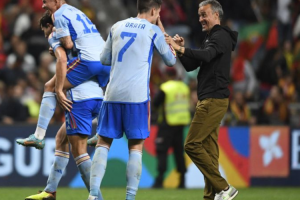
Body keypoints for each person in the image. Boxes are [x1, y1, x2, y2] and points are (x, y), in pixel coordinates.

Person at [87, 0, 176, 199]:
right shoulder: (153, 31)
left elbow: (103, 60)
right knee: (135, 146)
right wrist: (165, 36)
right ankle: (130, 197)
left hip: (112, 94)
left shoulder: (117, 26)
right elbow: (171, 61)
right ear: (154, 10)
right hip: (137, 97)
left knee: (103, 143)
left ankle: (93, 195)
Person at [24, 12, 105, 200]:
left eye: (45, 31)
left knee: (79, 151)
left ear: (50, 25)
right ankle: (50, 191)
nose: (46, 36)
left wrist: (55, 47)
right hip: (96, 96)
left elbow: (62, 59)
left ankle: (97, 197)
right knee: (61, 139)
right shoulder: (82, 38)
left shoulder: (57, 37)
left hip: (80, 100)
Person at [165, 0, 238, 200]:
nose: (200, 19)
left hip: (213, 99)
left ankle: (224, 188)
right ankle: (210, 196)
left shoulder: (220, 35)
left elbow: (206, 56)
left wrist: (180, 50)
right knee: (209, 152)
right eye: (199, 15)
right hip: (212, 99)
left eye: (204, 14)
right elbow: (192, 65)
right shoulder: (211, 38)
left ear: (216, 14)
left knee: (192, 145)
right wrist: (181, 49)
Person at [16, 0, 110, 149]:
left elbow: (66, 49)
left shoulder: (57, 17)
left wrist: (59, 89)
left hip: (89, 61)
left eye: (45, 1)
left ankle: (39, 136)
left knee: (50, 86)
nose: (43, 5)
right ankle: (103, 131)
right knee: (100, 90)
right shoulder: (76, 11)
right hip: (106, 60)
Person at [152, 67, 190, 189]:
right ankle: (182, 181)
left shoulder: (165, 88)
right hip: (181, 124)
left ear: (166, 75)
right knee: (179, 152)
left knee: (162, 150)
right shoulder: (184, 87)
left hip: (167, 124)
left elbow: (155, 103)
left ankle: (160, 180)